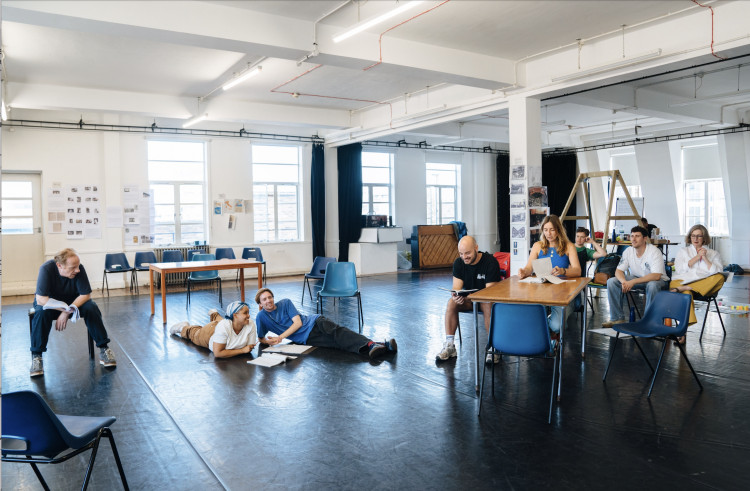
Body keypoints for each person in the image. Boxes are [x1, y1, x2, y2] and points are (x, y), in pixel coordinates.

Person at [30, 248, 117, 377]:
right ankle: (37, 357)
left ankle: (104, 348)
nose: (77, 270)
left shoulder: (79, 269)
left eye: (77, 266)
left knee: (91, 307)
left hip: (73, 303)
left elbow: (85, 295)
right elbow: (41, 299)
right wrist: (63, 309)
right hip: (49, 304)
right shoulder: (46, 269)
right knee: (41, 313)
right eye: (73, 267)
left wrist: (66, 311)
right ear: (59, 266)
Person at [255, 288, 396, 359]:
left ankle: (372, 345)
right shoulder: (261, 317)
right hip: (307, 339)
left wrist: (280, 338)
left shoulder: (285, 302)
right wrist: (268, 342)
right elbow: (261, 337)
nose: (268, 301)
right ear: (260, 304)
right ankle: (384, 346)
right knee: (339, 344)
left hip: (314, 322)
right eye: (264, 299)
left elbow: (297, 323)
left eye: (270, 297)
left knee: (338, 333)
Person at [436, 235, 501, 363]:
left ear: (476, 248)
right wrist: (456, 297)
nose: (464, 257)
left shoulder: (490, 262)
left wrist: (471, 297)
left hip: (485, 299)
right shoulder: (458, 263)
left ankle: (493, 346)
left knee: (487, 303)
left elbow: (490, 292)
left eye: (467, 253)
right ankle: (450, 345)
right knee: (451, 303)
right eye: (461, 253)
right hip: (469, 300)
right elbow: (456, 288)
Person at [519, 215, 582, 341]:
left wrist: (563, 270)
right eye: (546, 230)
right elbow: (529, 268)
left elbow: (578, 270)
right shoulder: (538, 245)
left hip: (562, 294)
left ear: (558, 230)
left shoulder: (569, 246)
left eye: (552, 229)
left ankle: (547, 330)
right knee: (527, 314)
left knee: (556, 325)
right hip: (541, 291)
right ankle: (547, 336)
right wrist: (523, 271)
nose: (548, 233)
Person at [669, 224, 725, 344]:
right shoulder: (683, 251)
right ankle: (682, 332)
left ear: (704, 238)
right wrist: (696, 257)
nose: (695, 239)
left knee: (720, 277)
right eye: (693, 236)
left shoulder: (713, 253)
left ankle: (688, 288)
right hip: (681, 282)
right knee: (686, 294)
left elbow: (717, 272)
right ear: (690, 237)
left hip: (703, 286)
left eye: (699, 236)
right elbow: (680, 270)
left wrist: (704, 257)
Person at [603, 226, 669, 327]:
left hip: (658, 281)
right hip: (637, 279)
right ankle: (617, 318)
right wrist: (624, 282)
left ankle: (649, 322)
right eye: (632, 236)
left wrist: (633, 282)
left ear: (645, 238)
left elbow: (656, 276)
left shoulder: (654, 251)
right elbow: (618, 271)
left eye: (637, 236)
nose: (633, 239)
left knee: (652, 285)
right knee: (612, 282)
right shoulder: (628, 251)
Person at [169, 301, 257, 358]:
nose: (249, 315)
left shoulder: (250, 324)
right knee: (195, 334)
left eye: (248, 312)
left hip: (224, 327)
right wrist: (242, 350)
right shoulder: (224, 326)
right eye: (245, 313)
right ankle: (183, 327)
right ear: (235, 315)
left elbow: (249, 347)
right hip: (209, 334)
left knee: (223, 322)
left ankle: (214, 313)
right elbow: (218, 353)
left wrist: (244, 349)